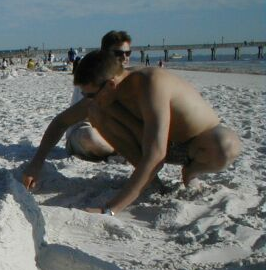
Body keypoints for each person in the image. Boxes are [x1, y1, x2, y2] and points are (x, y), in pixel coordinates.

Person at [23, 50, 241, 215]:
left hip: (196, 145)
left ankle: (190, 172)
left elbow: (156, 155)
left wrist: (110, 209)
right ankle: (151, 180)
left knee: (227, 145)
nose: (86, 98)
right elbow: (61, 121)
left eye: (89, 94)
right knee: (95, 111)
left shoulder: (151, 84)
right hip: (155, 145)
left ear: (110, 85)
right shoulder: (104, 96)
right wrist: (36, 162)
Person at [66, 30, 132, 161]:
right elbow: (67, 120)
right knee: (90, 136)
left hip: (111, 131)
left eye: (128, 53)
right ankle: (122, 151)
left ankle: (120, 150)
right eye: (118, 53)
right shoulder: (92, 74)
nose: (124, 58)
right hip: (84, 130)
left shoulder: (129, 77)